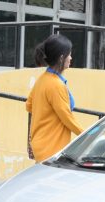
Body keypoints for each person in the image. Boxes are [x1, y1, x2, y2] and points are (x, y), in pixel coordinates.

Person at [25, 34, 84, 164]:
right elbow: (66, 117)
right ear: (62, 58)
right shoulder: (56, 85)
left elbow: (29, 105)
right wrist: (86, 135)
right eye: (69, 54)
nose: (71, 58)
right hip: (52, 148)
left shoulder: (42, 79)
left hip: (40, 145)